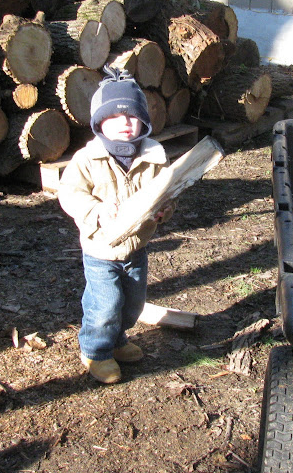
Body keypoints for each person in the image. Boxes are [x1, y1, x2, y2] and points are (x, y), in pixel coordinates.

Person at [58, 65, 175, 384]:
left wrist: (165, 209)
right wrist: (95, 209)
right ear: (99, 123)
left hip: (136, 247)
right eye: (114, 117)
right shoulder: (87, 159)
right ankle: (95, 350)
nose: (124, 123)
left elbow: (167, 194)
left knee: (133, 303)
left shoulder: (154, 157)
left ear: (143, 121)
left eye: (131, 116)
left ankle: (118, 339)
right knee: (105, 302)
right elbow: (68, 193)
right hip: (101, 249)